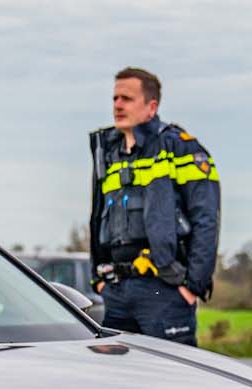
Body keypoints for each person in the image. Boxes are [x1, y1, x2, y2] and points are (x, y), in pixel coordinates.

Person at [88, 67, 219, 346]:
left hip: (165, 292)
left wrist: (191, 286)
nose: (118, 105)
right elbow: (97, 218)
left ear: (151, 107)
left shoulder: (181, 149)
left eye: (127, 98)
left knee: (170, 384)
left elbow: (206, 218)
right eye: (114, 98)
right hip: (116, 292)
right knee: (115, 384)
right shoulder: (107, 154)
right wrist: (97, 279)